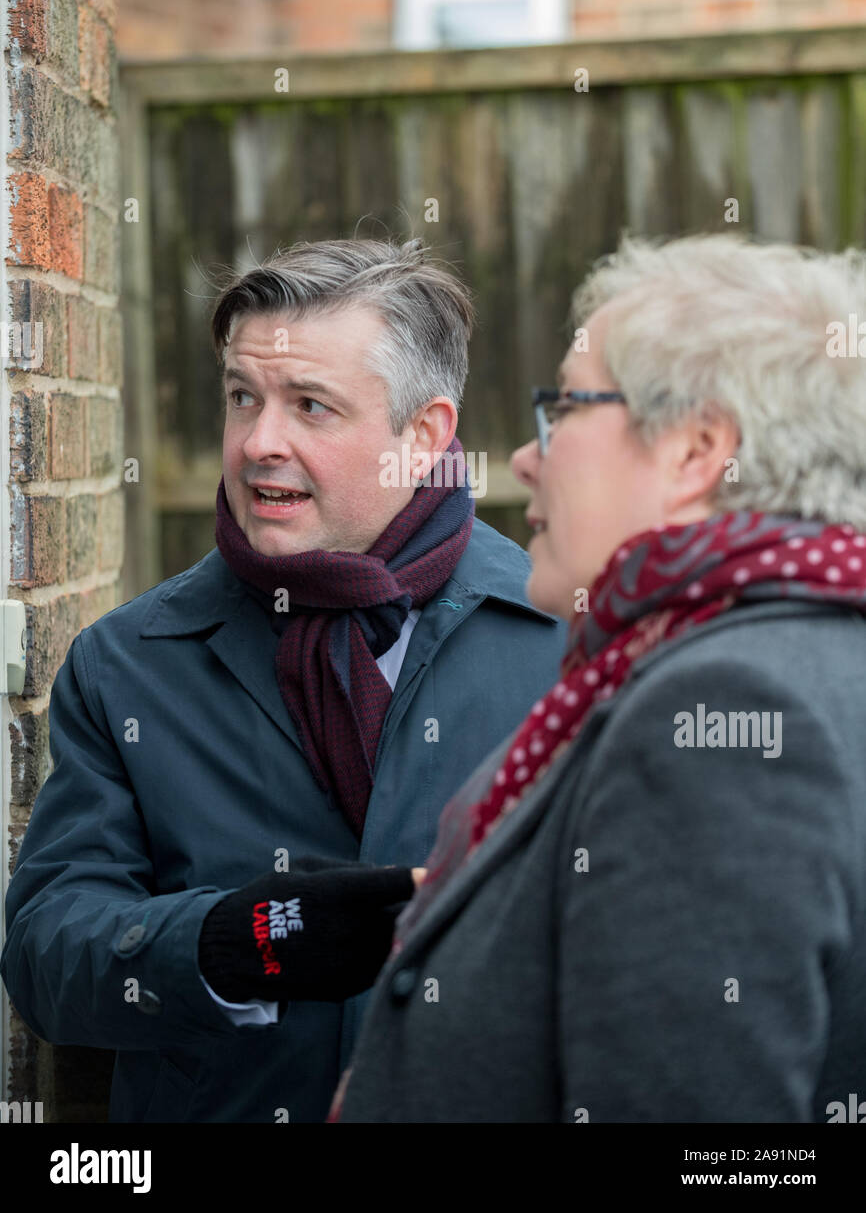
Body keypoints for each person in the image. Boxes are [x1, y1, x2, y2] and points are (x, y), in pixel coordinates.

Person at [0, 237, 566, 1123]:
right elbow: (44, 959)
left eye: (311, 406)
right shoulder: (130, 663)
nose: (261, 442)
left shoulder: (565, 639)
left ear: (423, 437)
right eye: (242, 398)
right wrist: (232, 943)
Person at [334, 232, 866, 1123]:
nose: (528, 456)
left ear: (698, 451)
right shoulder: (812, 646)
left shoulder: (719, 712)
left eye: (567, 407)